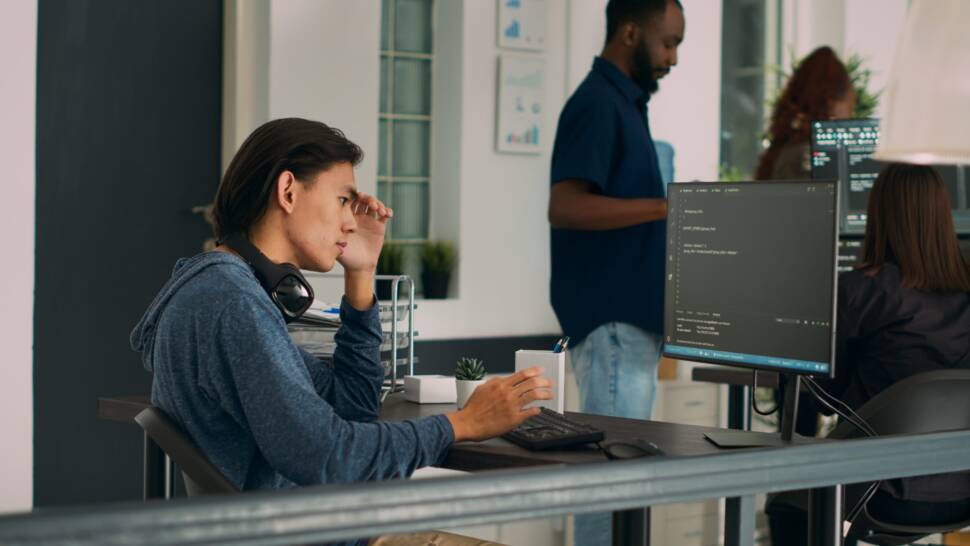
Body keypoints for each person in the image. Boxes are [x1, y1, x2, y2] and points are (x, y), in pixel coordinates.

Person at [130, 118, 552, 546]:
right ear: (288, 191)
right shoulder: (233, 303)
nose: (351, 222)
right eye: (343, 200)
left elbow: (352, 408)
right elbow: (326, 457)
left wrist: (362, 275)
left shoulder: (222, 291)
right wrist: (463, 423)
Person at [768, 163, 970, 544]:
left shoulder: (861, 291)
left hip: (876, 489)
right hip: (959, 491)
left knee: (789, 501)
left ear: (879, 216)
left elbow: (823, 399)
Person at [547, 0, 684, 543]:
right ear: (630, 33)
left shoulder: (626, 105)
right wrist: (666, 207)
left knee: (624, 492)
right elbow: (566, 206)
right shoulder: (599, 104)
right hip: (613, 330)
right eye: (668, 43)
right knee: (611, 492)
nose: (673, 58)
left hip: (629, 331)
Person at [755, 46, 856, 180]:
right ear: (833, 102)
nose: (850, 113)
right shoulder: (808, 156)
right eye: (849, 104)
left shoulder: (785, 146)